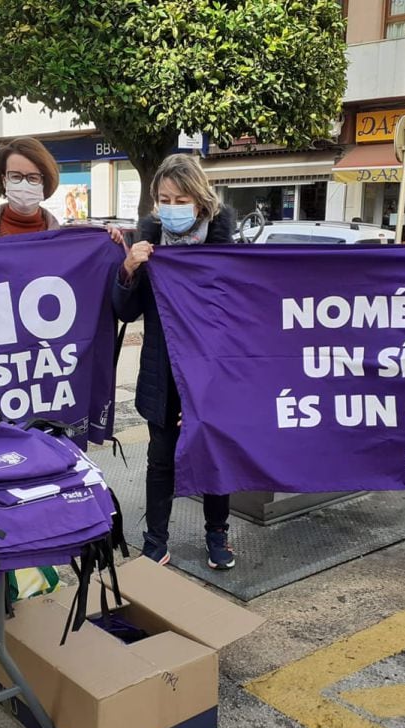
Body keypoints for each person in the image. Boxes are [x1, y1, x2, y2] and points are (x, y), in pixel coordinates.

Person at [113, 154, 237, 570]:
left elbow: (237, 318)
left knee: (214, 458)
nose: (171, 207)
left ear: (200, 203)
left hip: (211, 374)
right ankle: (155, 540)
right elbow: (125, 311)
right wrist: (128, 270)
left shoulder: (225, 252)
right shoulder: (147, 245)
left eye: (180, 199)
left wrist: (209, 386)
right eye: (164, 198)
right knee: (160, 460)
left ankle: (217, 534)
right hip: (161, 373)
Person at [0, 137, 62, 240]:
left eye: (33, 178)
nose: (24, 184)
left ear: (45, 183)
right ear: (4, 180)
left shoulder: (63, 240)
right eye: (15, 176)